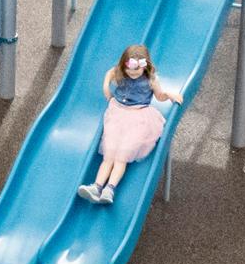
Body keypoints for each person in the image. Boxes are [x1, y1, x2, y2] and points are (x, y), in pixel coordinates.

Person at [77, 44, 181, 204]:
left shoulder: (151, 79)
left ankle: (109, 189)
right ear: (124, 65)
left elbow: (159, 96)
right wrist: (107, 89)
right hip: (118, 113)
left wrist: (169, 95)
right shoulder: (119, 71)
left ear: (144, 67)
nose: (132, 73)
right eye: (130, 70)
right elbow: (109, 73)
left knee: (122, 155)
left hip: (138, 116)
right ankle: (96, 187)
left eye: (136, 70)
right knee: (109, 154)